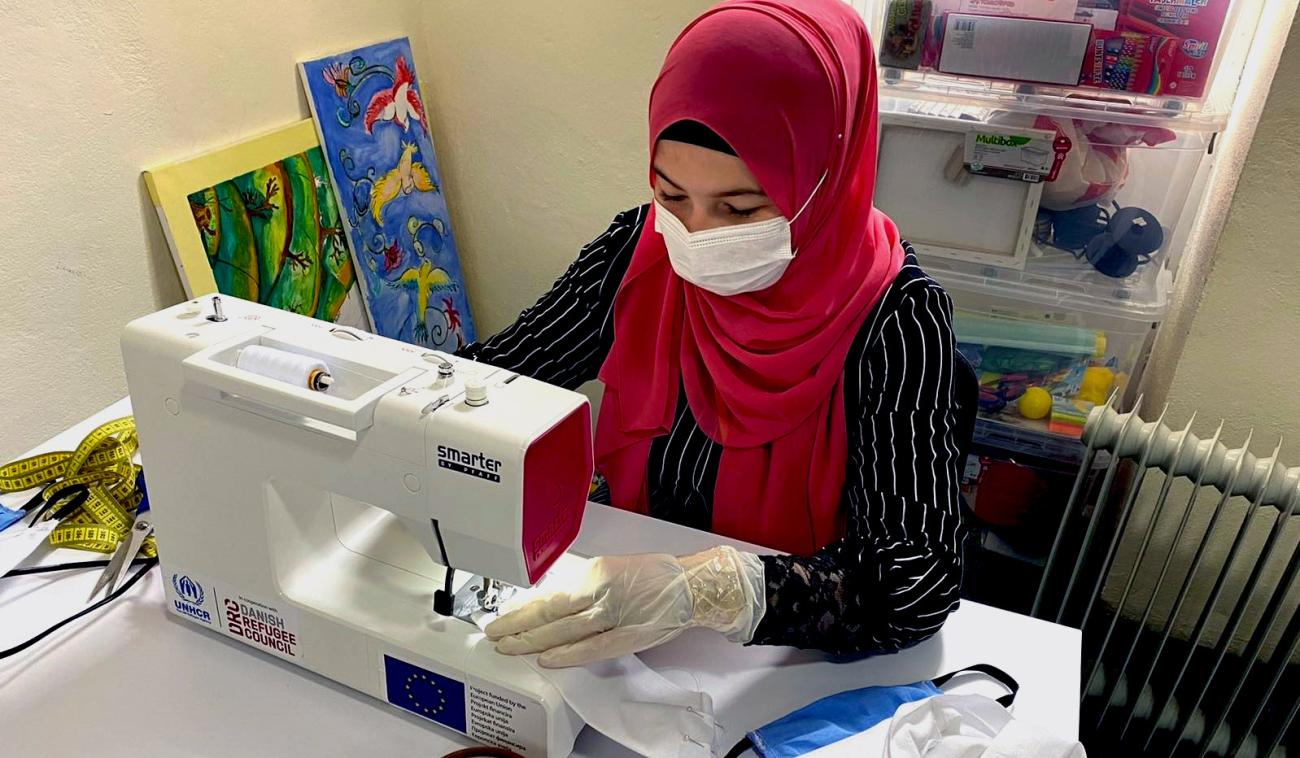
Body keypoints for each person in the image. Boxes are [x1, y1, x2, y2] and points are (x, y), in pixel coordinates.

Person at [466, 0, 965, 668]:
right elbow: (495, 382)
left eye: (739, 208)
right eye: (672, 197)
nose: (694, 236)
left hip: (787, 662)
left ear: (826, 178)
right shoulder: (636, 254)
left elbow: (914, 583)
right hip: (624, 628)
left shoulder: (900, 321)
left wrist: (713, 591)